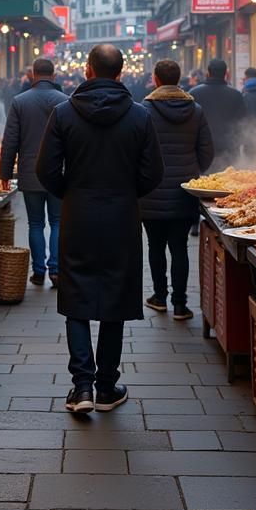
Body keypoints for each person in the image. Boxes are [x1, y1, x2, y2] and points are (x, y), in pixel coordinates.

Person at [37, 44, 164, 413]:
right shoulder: (140, 116)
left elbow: (45, 170)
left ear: (88, 71)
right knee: (115, 298)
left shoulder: (63, 114)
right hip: (122, 217)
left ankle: (82, 388)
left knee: (76, 298)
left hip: (78, 216)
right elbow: (153, 173)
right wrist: (127, 193)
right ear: (121, 73)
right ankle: (107, 385)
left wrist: (71, 193)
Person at [140, 59, 214, 320]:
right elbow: (207, 152)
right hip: (184, 191)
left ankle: (159, 297)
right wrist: (193, 172)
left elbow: (135, 151)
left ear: (156, 79)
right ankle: (181, 304)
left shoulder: (144, 110)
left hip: (151, 191)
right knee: (180, 247)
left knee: (155, 246)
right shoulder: (195, 110)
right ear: (179, 79)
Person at [0, 58, 67, 286]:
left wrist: (5, 172)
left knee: (36, 224)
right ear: (54, 76)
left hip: (30, 172)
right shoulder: (65, 101)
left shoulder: (20, 101)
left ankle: (39, 272)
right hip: (59, 173)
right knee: (57, 222)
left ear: (32, 75)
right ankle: (56, 271)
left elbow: (10, 141)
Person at [189, 58, 246, 168]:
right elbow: (243, 122)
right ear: (225, 74)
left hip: (201, 149)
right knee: (227, 182)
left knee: (201, 184)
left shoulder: (194, 93)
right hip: (228, 149)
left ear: (208, 73)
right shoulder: (236, 95)